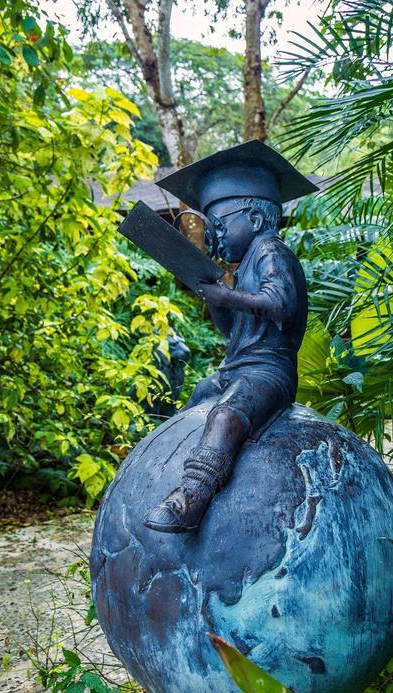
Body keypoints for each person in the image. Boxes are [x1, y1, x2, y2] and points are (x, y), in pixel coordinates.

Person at [142, 141, 317, 533]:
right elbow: (231, 332)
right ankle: (172, 471)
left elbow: (280, 304)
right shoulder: (240, 270)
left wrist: (226, 294)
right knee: (201, 395)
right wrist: (217, 298)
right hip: (237, 368)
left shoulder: (273, 252)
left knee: (225, 414)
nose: (216, 237)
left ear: (254, 218)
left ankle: (192, 497)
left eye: (219, 226)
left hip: (268, 372)